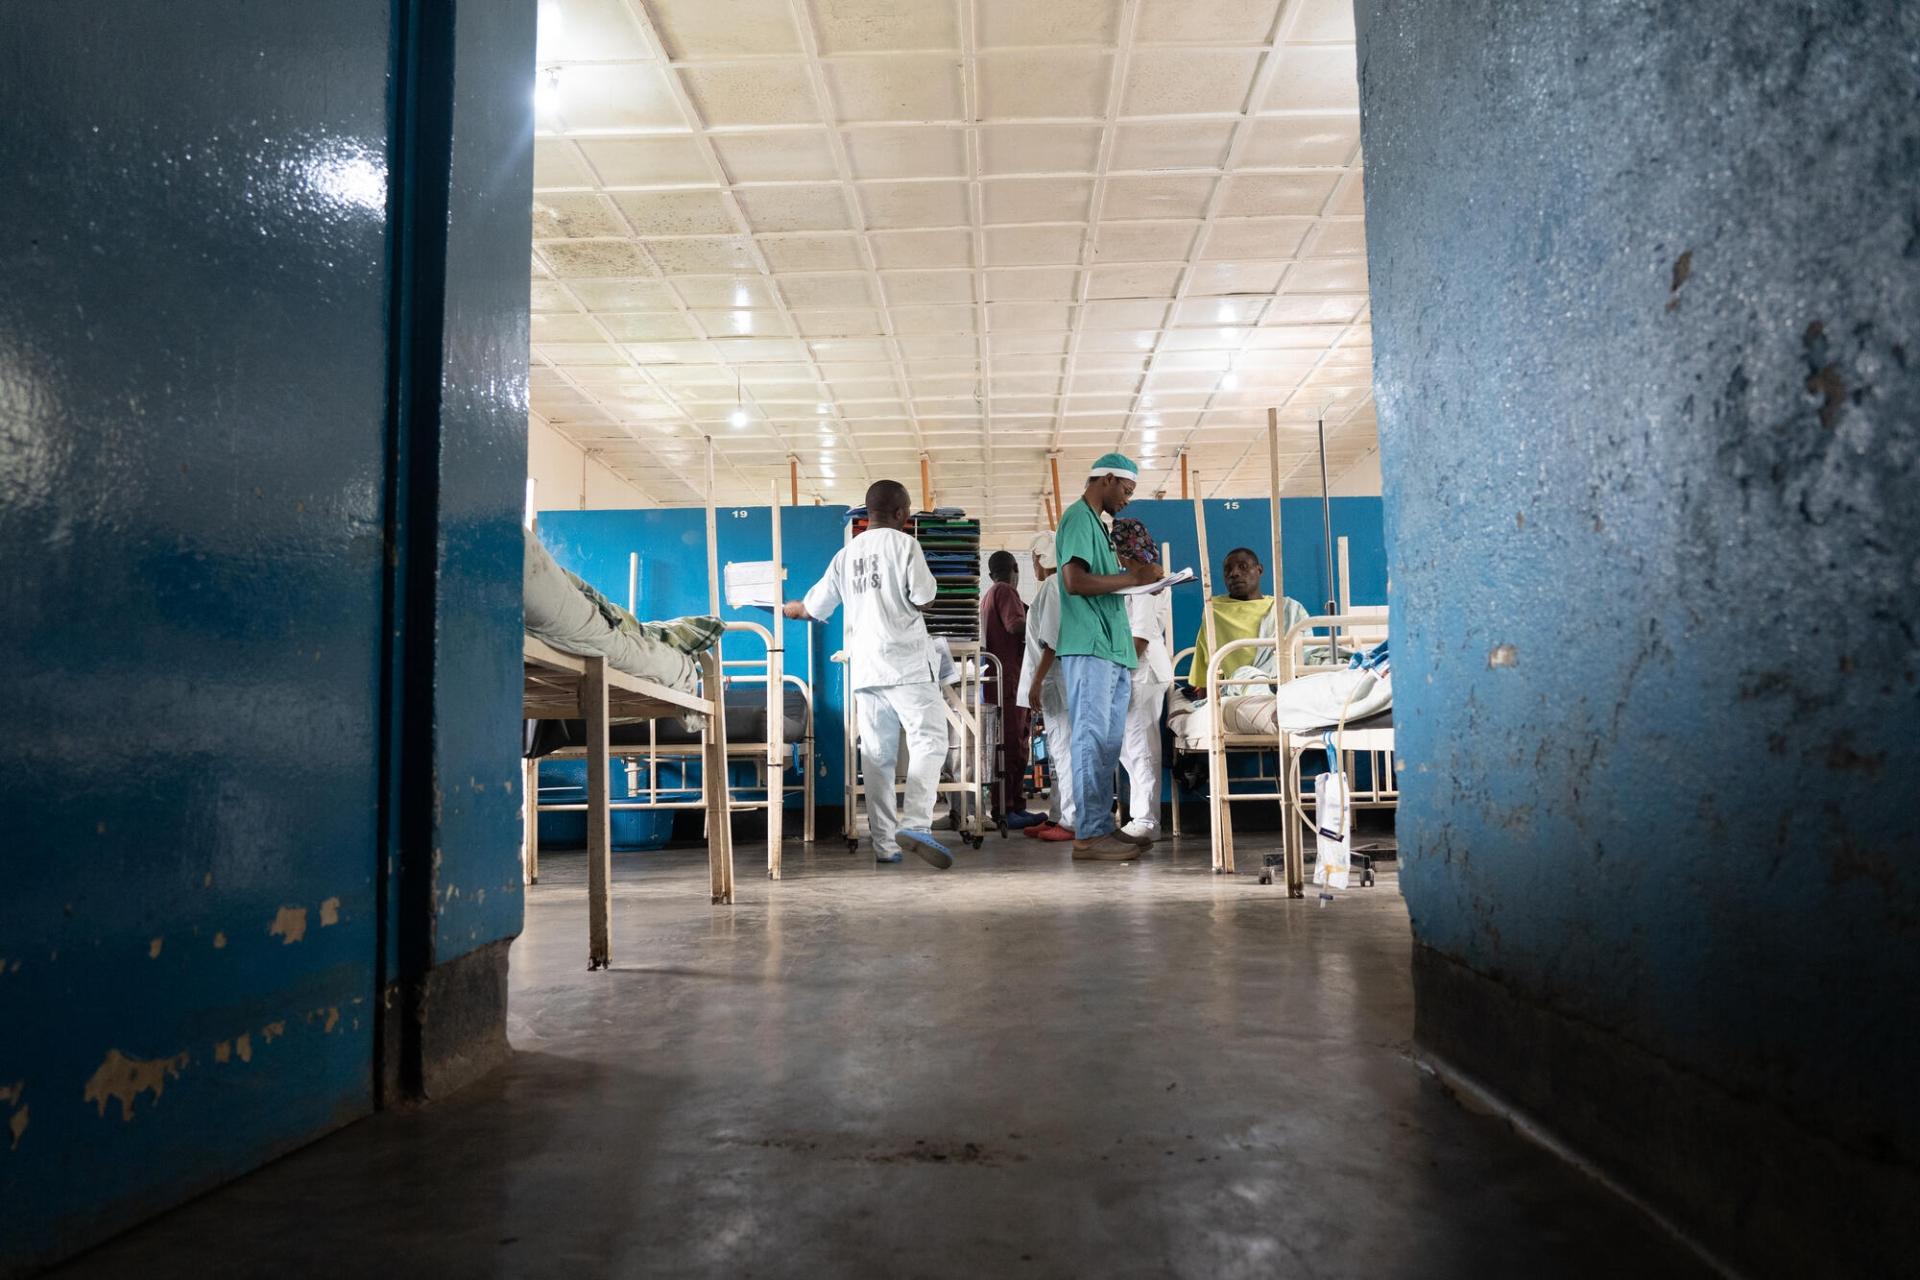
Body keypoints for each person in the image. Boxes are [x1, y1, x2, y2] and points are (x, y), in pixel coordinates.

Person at [784, 480, 954, 869]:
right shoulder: (905, 544)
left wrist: (792, 607)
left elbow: (812, 606)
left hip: (866, 667)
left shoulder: (846, 555)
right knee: (929, 741)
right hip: (907, 663)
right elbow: (925, 597)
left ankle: (884, 845)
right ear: (900, 513)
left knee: (876, 755)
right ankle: (915, 824)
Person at [1054, 453, 1162, 860]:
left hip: (1112, 649)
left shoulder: (1100, 529)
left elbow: (1104, 583)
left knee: (1107, 743)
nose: (1129, 500)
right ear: (1109, 479)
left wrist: (1139, 582)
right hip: (1091, 646)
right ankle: (1088, 836)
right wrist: (1135, 577)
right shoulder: (1079, 518)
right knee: (1090, 740)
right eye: (1128, 490)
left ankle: (1100, 825)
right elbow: (1075, 581)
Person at [1110, 517, 1173, 843]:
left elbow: (1141, 635)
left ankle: (1146, 820)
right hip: (1135, 670)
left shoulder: (1148, 581)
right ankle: (1142, 817)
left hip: (1143, 671)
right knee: (1128, 748)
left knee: (1141, 747)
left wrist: (1117, 672)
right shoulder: (1138, 578)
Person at [1019, 532, 1076, 844]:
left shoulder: (1054, 587)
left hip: (1057, 680)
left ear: (1043, 558)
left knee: (1065, 752)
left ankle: (1072, 821)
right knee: (1057, 753)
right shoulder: (1051, 588)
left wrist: (1037, 681)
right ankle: (1057, 815)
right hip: (1054, 681)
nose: (1033, 566)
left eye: (1033, 558)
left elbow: (1051, 641)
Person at [980, 550, 1043, 829]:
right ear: (1016, 569)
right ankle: (1007, 808)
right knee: (1012, 745)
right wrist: (1046, 624)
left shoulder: (988, 595)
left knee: (1010, 744)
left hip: (1001, 679)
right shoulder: (1005, 591)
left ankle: (1012, 805)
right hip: (1009, 679)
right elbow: (1015, 625)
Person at [1187, 546, 1308, 691]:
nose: (1234, 573)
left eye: (1243, 567)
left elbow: (1307, 653)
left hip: (1285, 681)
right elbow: (1206, 659)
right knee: (1249, 678)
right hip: (1239, 686)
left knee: (1328, 660)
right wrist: (1205, 704)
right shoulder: (1214, 609)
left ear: (1259, 570)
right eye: (1228, 570)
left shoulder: (1287, 609)